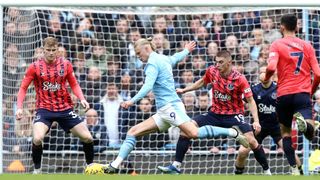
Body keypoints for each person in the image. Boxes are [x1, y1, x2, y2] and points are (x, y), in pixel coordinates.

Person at [102, 38, 249, 174]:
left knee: (193, 133)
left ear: (147, 48)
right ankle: (114, 165)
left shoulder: (152, 63)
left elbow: (147, 86)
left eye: (139, 53)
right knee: (133, 132)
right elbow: (175, 58)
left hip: (171, 107)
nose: (138, 57)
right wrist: (186, 50)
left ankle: (233, 133)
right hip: (163, 111)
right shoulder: (163, 58)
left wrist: (131, 101)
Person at [158, 50, 271, 175]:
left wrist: (256, 121)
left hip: (234, 115)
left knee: (251, 141)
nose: (217, 65)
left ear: (229, 63)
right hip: (214, 113)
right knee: (186, 129)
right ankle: (176, 166)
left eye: (221, 62)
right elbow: (202, 82)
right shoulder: (212, 71)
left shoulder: (240, 79)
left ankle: (267, 172)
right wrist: (185, 90)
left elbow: (250, 100)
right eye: (216, 62)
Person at [15, 37, 94, 174]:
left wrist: (82, 98)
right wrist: (20, 107)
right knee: (37, 138)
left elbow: (74, 84)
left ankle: (90, 168)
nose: (51, 53)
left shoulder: (66, 64)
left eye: (53, 50)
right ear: (43, 50)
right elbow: (23, 88)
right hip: (44, 109)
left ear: (57, 50)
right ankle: (37, 170)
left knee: (87, 137)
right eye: (48, 50)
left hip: (65, 108)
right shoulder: (34, 67)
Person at [264, 14, 320, 175]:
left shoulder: (276, 44)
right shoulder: (307, 45)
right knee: (310, 134)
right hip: (302, 93)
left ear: (281, 27)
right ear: (297, 27)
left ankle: (294, 169)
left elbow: (271, 67)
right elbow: (317, 74)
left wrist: (267, 79)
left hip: (283, 95)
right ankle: (306, 125)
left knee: (286, 133)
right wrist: (311, 90)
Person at [235, 67, 303, 175]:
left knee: (288, 150)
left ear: (271, 75)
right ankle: (237, 174)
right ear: (258, 75)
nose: (263, 74)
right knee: (242, 151)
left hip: (277, 127)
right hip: (259, 127)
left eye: (266, 72)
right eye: (261, 72)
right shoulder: (253, 89)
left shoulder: (279, 88)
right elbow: (240, 104)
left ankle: (300, 173)